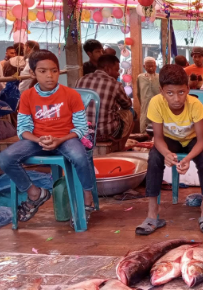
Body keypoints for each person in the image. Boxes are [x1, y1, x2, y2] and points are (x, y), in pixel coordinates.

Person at [0, 50, 94, 222]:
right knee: (5, 158)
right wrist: (38, 139)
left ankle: (87, 198)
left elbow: (81, 128)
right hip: (37, 140)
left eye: (54, 71)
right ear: (33, 73)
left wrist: (60, 139)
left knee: (80, 156)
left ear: (59, 72)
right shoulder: (27, 96)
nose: (49, 76)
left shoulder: (71, 95)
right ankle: (35, 193)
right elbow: (22, 129)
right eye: (43, 71)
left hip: (66, 138)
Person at [136, 64, 203, 235]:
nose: (177, 98)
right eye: (170, 93)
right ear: (161, 91)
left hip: (193, 140)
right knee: (155, 156)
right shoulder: (156, 103)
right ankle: (152, 213)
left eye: (181, 92)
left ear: (188, 89)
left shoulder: (194, 104)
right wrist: (166, 154)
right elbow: (157, 138)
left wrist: (186, 159)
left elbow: (202, 140)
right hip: (170, 140)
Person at [75, 54, 134, 152]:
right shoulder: (114, 84)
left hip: (82, 132)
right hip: (105, 133)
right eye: (116, 70)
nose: (118, 74)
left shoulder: (80, 80)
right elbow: (127, 104)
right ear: (107, 69)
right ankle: (120, 148)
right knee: (131, 112)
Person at [137, 56, 160, 133]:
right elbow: (138, 93)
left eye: (152, 66)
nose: (150, 68)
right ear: (144, 66)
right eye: (148, 66)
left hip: (158, 108)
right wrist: (144, 103)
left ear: (155, 66)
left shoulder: (160, 77)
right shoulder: (140, 77)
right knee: (144, 130)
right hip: (145, 108)